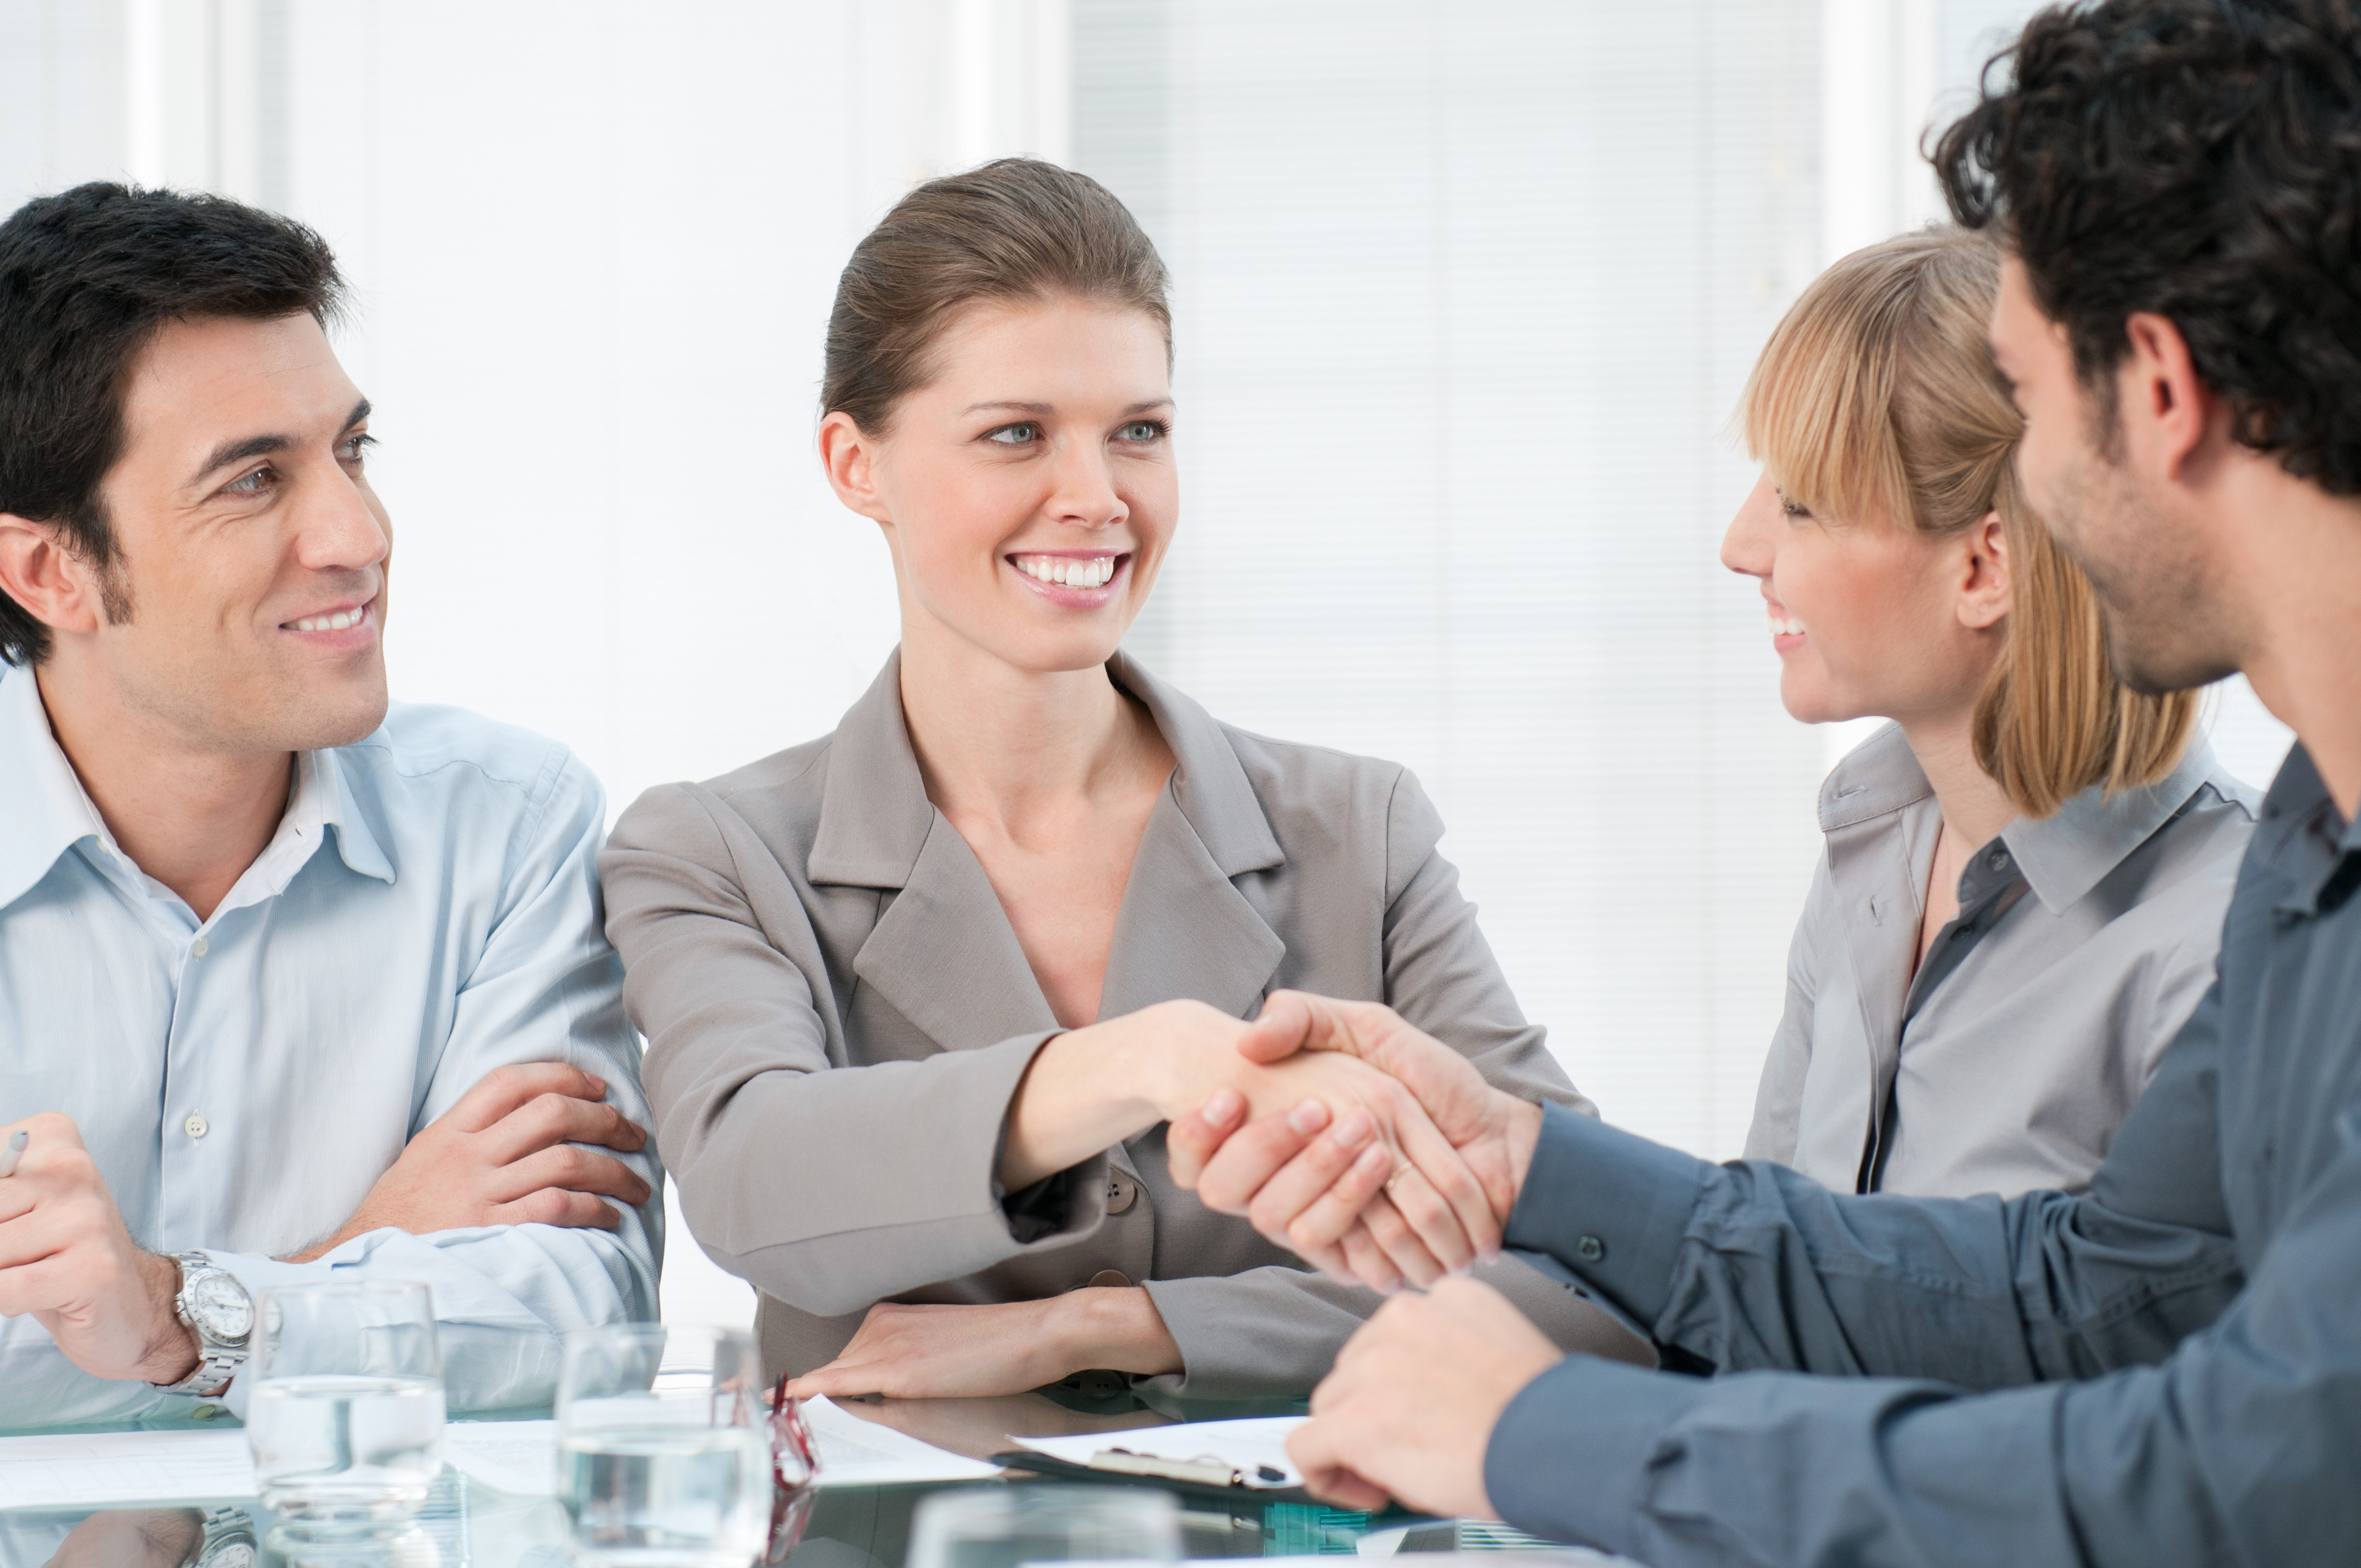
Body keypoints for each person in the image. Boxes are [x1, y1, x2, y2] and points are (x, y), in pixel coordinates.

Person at [1167, 0, 2361, 1559]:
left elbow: (2257, 1479)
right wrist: (1524, 1162)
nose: (2038, 489)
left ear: (2154, 388)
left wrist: (1548, 1435)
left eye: (2028, 391)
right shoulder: (2312, 843)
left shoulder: (2234, 885)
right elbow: (2097, 1294)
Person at [597, 158, 1631, 1401]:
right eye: (1015, 434)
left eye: (1137, 431)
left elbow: (1598, 1265)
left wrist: (1113, 1321)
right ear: (853, 462)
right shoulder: (716, 852)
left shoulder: (1356, 832)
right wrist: (1147, 1060)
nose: (1095, 499)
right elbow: (757, 1183)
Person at [0, 185, 660, 1428]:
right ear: (50, 571)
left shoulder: (507, 826)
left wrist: (175, 1311)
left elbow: (583, 1317)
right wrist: (351, 1258)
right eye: (253, 480)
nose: (357, 533)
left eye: (349, 451)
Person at [1726, 225, 2255, 1199]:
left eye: (1799, 504)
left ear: (1985, 567)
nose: (1740, 545)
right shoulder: (1873, 850)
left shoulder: (2225, 941)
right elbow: (1748, 1275)